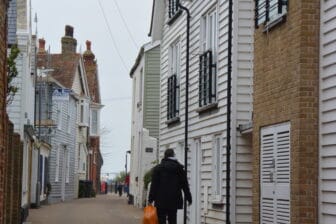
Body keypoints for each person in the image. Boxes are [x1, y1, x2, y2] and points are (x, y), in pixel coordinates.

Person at [148, 148, 192, 224]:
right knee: (172, 219)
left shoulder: (158, 168)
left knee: (161, 220)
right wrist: (189, 197)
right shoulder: (179, 168)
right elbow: (185, 184)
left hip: (160, 200)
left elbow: (154, 185)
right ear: (173, 155)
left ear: (165, 156)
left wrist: (150, 199)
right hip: (174, 199)